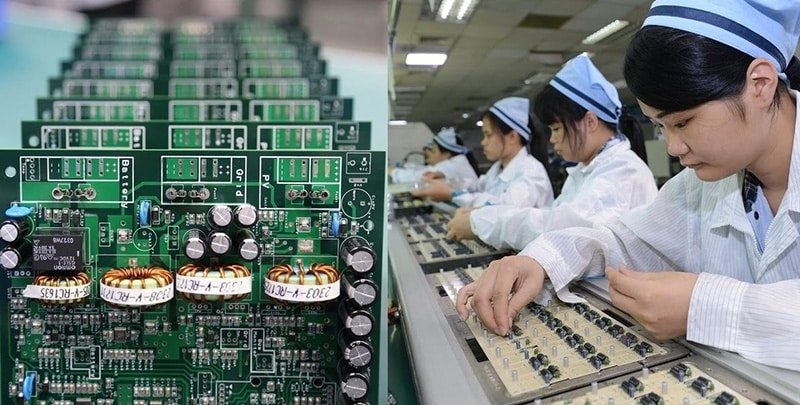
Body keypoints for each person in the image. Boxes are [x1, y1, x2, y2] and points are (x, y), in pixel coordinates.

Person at [456, 0, 800, 371]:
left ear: (761, 85)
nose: (673, 148)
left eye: (682, 123)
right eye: (660, 126)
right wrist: (539, 260)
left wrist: (706, 307)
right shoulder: (699, 187)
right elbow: (621, 239)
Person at [445, 54, 657, 250]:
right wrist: (482, 216)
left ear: (590, 121)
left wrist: (479, 223)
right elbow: (549, 215)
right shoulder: (587, 170)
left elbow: (559, 228)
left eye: (557, 129)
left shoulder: (622, 172)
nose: (553, 139)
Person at [412, 97, 554, 209]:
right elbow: (477, 187)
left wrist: (452, 195)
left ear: (512, 137)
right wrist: (446, 181)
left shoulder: (531, 173)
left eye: (488, 135)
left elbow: (502, 211)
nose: (483, 142)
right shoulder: (499, 167)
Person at [388, 127, 479, 185]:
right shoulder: (457, 162)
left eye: (434, 151)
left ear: (446, 154)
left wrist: (392, 171)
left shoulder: (452, 165)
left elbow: (417, 177)